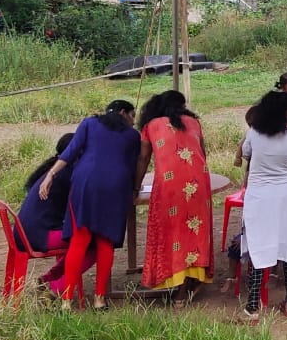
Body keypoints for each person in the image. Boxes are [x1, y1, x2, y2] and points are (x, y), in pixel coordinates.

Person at [38, 100, 140, 310]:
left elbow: (70, 152)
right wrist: (133, 191)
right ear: (123, 113)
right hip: (115, 187)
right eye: (132, 116)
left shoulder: (89, 124)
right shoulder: (133, 136)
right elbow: (131, 167)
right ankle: (99, 300)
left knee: (79, 240)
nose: (133, 122)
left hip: (86, 183)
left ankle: (66, 300)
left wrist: (50, 174)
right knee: (105, 242)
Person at [134, 90, 214, 300]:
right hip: (199, 183)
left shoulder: (150, 126)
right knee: (195, 231)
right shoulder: (194, 123)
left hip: (170, 185)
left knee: (173, 232)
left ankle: (178, 285)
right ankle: (191, 281)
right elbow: (202, 154)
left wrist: (135, 186)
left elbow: (143, 160)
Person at [239, 90, 287, 323]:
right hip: (285, 196)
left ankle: (252, 309)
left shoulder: (254, 133)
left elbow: (247, 153)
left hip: (258, 197)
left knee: (258, 248)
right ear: (286, 113)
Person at [15, 133, 89, 296]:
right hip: (38, 235)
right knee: (92, 244)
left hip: (25, 232)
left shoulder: (53, 170)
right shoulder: (69, 173)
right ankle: (55, 288)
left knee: (82, 240)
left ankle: (49, 278)